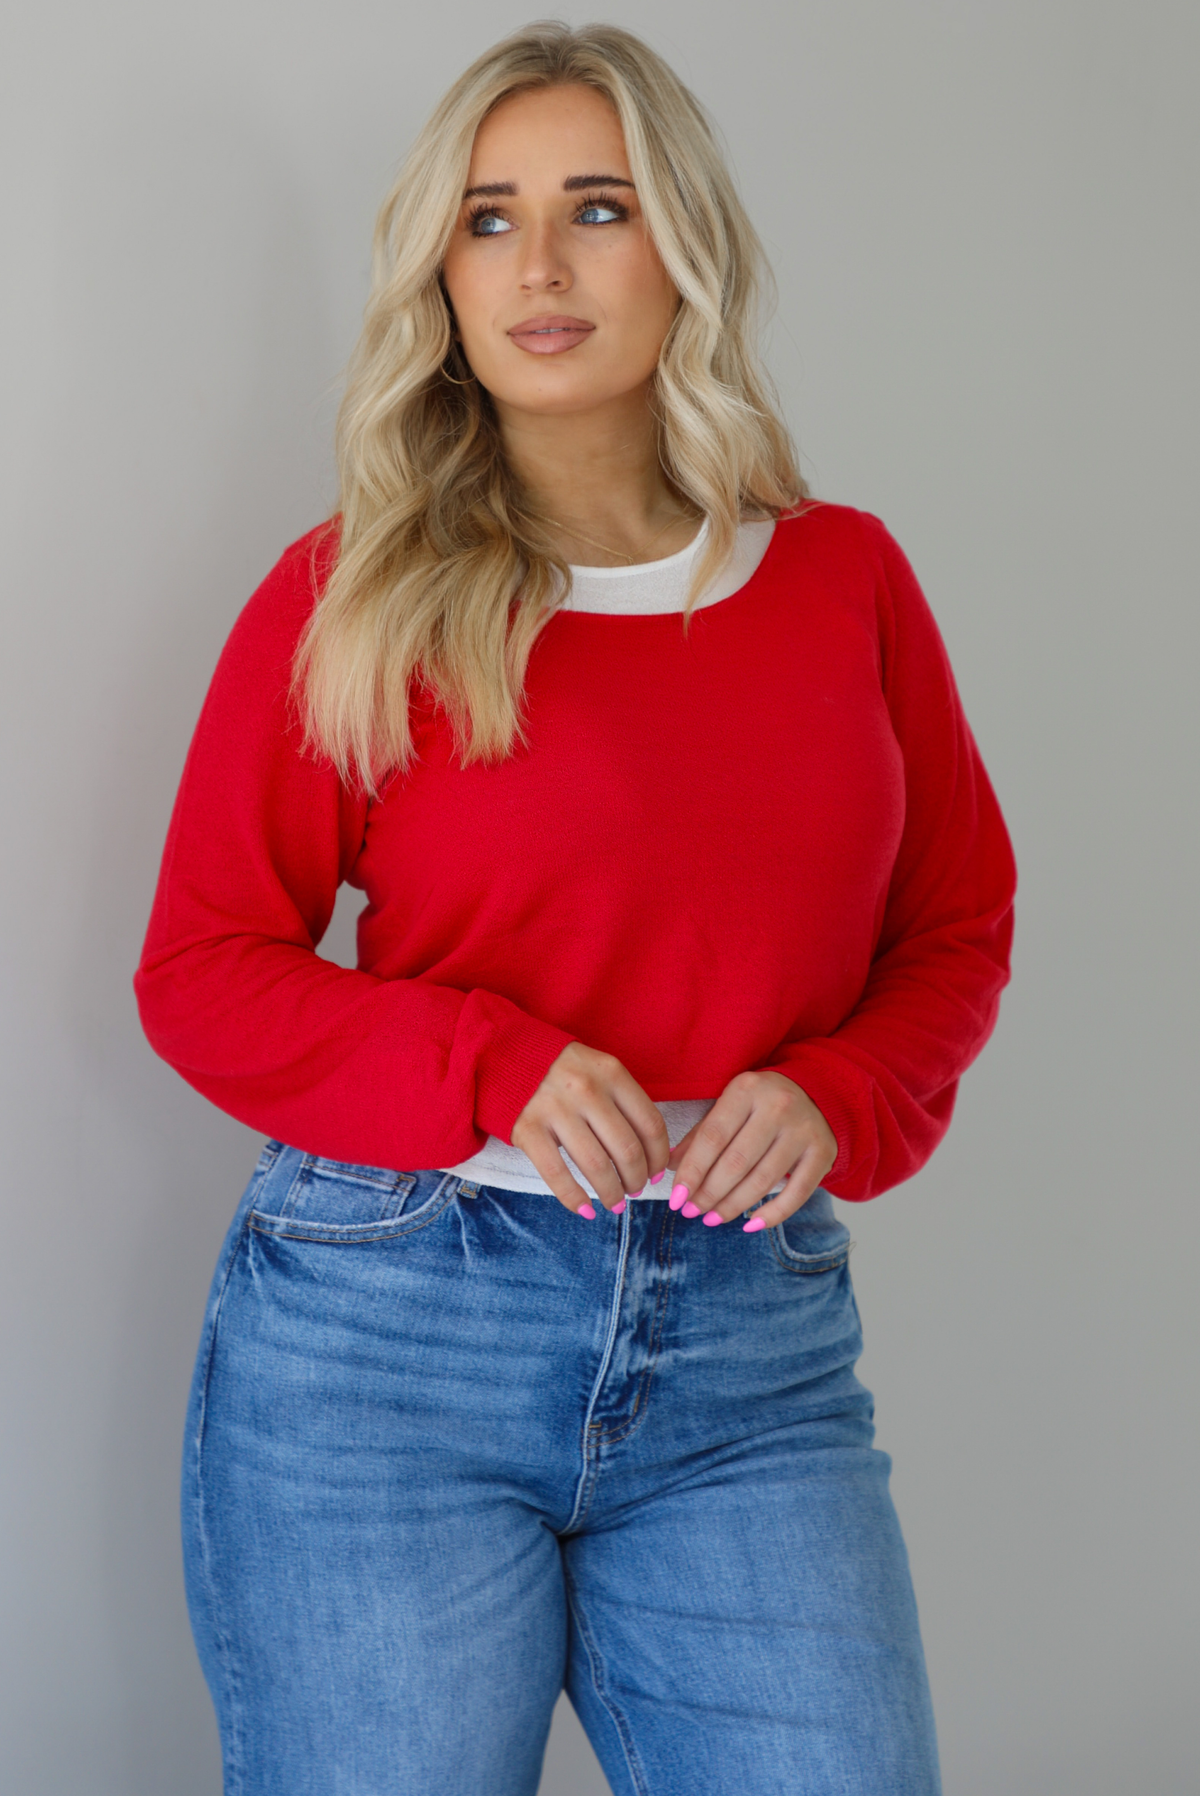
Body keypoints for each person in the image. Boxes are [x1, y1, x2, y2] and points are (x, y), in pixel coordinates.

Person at [135, 21, 1016, 1796]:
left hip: (750, 1357)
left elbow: (955, 927)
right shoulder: (350, 601)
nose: (538, 266)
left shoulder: (845, 581)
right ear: (437, 274)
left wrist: (835, 1096)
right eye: (486, 218)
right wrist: (489, 1063)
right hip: (388, 1339)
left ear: (683, 242)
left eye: (595, 208)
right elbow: (205, 971)